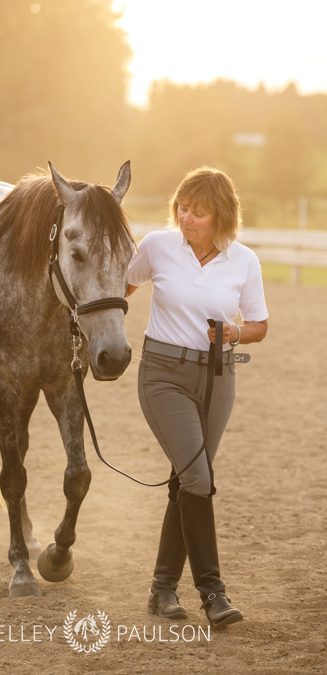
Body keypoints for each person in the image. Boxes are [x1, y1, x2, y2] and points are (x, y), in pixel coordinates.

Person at [127, 167, 268, 628]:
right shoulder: (156, 247)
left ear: (221, 217)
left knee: (191, 481)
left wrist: (236, 332)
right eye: (182, 208)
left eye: (199, 212)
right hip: (163, 374)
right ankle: (213, 594)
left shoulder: (244, 260)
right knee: (197, 479)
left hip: (219, 375)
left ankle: (162, 589)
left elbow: (260, 326)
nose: (186, 218)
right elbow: (118, 290)